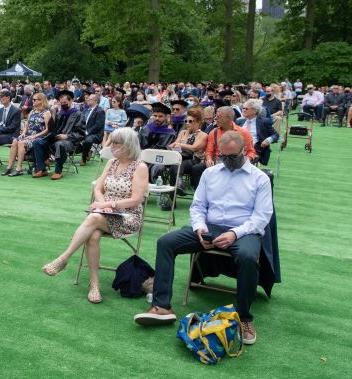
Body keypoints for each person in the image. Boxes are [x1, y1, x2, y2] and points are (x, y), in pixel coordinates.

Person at [133, 131, 273, 345]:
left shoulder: (260, 178)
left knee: (247, 256)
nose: (227, 161)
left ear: (244, 151)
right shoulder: (211, 173)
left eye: (232, 157)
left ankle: (244, 317)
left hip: (243, 230)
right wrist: (200, 228)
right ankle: (162, 306)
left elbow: (262, 216)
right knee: (165, 243)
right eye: (223, 157)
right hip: (209, 227)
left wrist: (235, 233)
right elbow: (198, 206)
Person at [41, 127, 148, 303]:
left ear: (128, 145)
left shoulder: (140, 167)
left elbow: (135, 200)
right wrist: (101, 204)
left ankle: (64, 258)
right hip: (105, 213)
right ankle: (94, 285)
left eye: (116, 143)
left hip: (128, 215)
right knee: (93, 234)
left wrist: (106, 205)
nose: (112, 145)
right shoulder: (112, 162)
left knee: (94, 218)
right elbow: (98, 188)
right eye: (112, 141)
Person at [32, 89, 84, 180]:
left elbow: (81, 134)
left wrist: (67, 136)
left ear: (71, 100)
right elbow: (51, 129)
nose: (62, 104)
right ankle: (41, 169)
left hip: (70, 141)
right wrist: (54, 114)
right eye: (61, 102)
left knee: (59, 144)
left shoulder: (78, 114)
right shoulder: (59, 113)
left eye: (65, 102)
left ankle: (58, 171)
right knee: (37, 142)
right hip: (55, 139)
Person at [3, 93, 52, 176]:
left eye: (34, 100)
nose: (32, 101)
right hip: (28, 135)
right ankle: (9, 167)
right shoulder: (32, 111)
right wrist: (23, 133)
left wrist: (35, 136)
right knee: (15, 141)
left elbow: (48, 129)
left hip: (39, 137)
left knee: (21, 143)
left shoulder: (46, 113)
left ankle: (19, 168)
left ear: (41, 101)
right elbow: (27, 125)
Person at [170, 106, 207, 192]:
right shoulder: (182, 132)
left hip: (194, 160)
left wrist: (179, 144)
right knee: (174, 166)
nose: (187, 123)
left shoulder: (203, 135)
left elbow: (194, 148)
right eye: (186, 121)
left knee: (178, 165)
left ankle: (179, 184)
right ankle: (172, 196)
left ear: (198, 122)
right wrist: (177, 146)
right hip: (180, 157)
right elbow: (174, 147)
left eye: (190, 121)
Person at [237, 98, 278, 166]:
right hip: (237, 149)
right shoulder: (239, 121)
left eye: (246, 109)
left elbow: (276, 135)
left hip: (255, 149)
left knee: (242, 160)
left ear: (255, 111)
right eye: (243, 108)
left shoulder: (263, 122)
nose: (243, 110)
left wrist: (268, 140)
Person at [79, 93, 105, 165]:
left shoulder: (100, 111)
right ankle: (88, 151)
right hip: (84, 132)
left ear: (95, 101)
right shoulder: (85, 110)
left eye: (90, 99)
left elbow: (98, 125)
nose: (87, 100)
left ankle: (84, 158)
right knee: (72, 137)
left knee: (87, 140)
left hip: (96, 134)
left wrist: (87, 132)